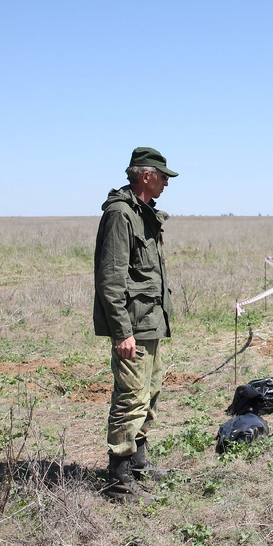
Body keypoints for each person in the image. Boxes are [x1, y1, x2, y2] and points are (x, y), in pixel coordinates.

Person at [93, 146, 178, 502]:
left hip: (150, 322)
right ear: (146, 176)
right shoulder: (120, 214)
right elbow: (111, 279)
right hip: (133, 326)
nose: (166, 184)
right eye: (162, 177)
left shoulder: (144, 214)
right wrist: (122, 331)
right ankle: (118, 479)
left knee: (150, 394)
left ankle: (139, 463)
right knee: (130, 398)